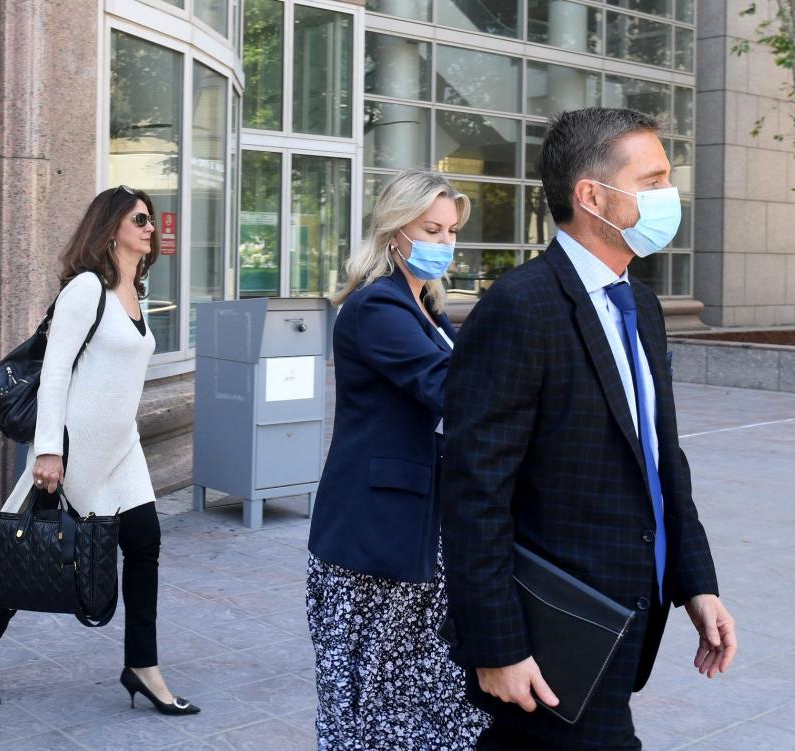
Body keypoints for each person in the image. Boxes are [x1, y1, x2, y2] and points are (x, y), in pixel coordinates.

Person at [440, 107, 736, 750]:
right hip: (558, 628)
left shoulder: (642, 303)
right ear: (592, 195)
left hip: (631, 613)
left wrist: (696, 583)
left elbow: (661, 459)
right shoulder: (521, 306)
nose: (669, 195)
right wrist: (497, 645)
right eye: (653, 179)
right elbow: (472, 491)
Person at [0, 185, 198, 716]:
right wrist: (48, 452)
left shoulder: (135, 289)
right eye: (140, 218)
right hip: (77, 447)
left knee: (145, 544)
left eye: (151, 219)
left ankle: (142, 665)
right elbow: (57, 370)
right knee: (37, 551)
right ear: (111, 228)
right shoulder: (86, 288)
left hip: (122, 445)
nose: (151, 227)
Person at [304, 169, 488, 750]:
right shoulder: (377, 308)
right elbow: (449, 388)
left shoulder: (423, 305)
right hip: (374, 536)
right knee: (374, 707)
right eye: (430, 229)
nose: (444, 243)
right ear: (393, 231)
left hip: (415, 527)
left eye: (451, 231)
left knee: (431, 702)